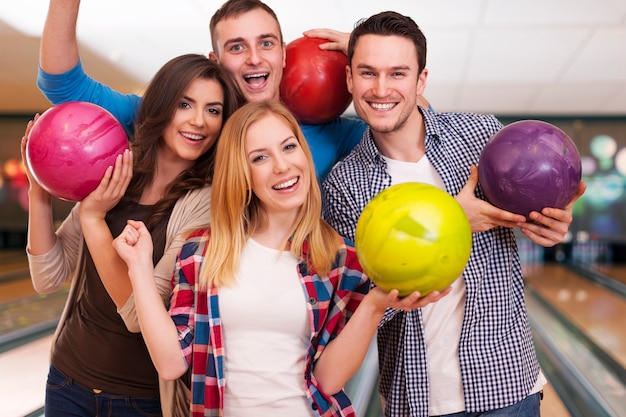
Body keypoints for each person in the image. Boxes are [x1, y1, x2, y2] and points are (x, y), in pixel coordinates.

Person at [322, 11, 587, 417]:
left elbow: (534, 214)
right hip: (418, 398)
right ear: (349, 80)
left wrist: (551, 224)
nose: (380, 88)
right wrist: (451, 219)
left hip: (508, 385)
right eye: (367, 72)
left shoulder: (480, 137)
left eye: (397, 73)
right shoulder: (343, 186)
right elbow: (361, 304)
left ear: (420, 81)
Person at [111, 100, 447, 417]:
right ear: (241, 173)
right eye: (260, 158)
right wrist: (139, 266)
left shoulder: (341, 260)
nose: (282, 166)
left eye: (289, 147)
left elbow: (328, 381)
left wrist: (375, 303)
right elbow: (171, 363)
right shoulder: (201, 252)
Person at [23, 54, 245, 417]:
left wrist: (95, 219)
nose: (198, 121)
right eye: (185, 103)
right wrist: (39, 191)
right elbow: (48, 276)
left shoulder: (206, 204)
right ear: (161, 104)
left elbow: (139, 316)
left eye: (213, 110)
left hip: (141, 400)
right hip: (68, 379)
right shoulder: (115, 170)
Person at [37, 0, 366, 181]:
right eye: (237, 48)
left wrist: (370, 54)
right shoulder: (182, 121)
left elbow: (414, 129)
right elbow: (63, 84)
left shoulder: (329, 132)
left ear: (283, 53)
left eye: (266, 44)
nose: (254, 59)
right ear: (217, 60)